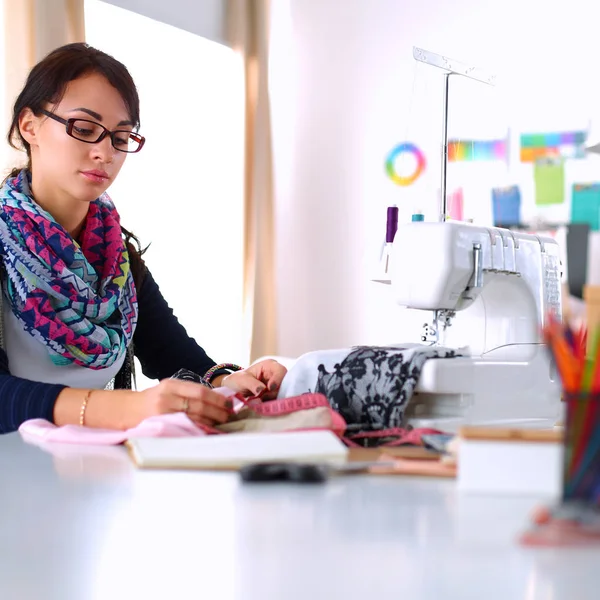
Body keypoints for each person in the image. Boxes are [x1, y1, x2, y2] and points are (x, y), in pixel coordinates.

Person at [0, 43, 286, 434]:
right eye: (84, 129)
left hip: (80, 476)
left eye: (121, 137)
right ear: (28, 126)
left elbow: (175, 357)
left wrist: (229, 382)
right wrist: (121, 408)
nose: (105, 153)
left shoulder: (115, 258)